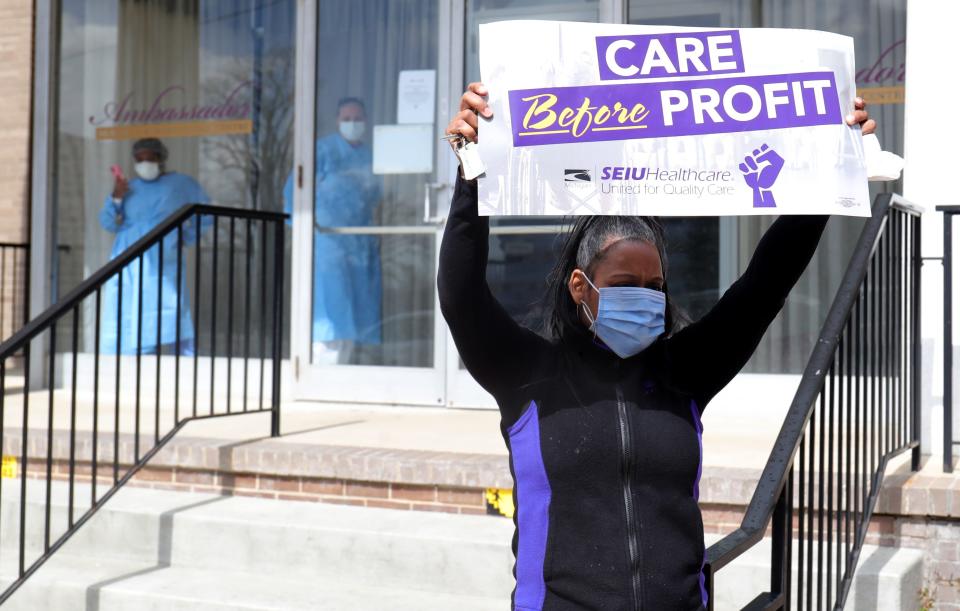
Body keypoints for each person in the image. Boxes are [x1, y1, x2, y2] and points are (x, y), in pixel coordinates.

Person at [439, 82, 876, 611]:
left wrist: (829, 162)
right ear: (582, 287)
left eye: (655, 287)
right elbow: (461, 295)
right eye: (626, 284)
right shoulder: (528, 374)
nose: (646, 298)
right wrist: (471, 173)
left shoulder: (685, 371)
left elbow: (767, 280)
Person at [283, 97, 383, 365]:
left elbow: (377, 198)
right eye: (347, 119)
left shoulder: (371, 155)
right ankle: (320, 377)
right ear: (337, 121)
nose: (352, 124)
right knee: (330, 313)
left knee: (357, 312)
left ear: (366, 120)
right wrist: (306, 231)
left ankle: (347, 374)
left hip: (359, 243)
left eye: (357, 118)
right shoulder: (321, 151)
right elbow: (295, 193)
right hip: (325, 242)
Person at [100, 137, 210, 355]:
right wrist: (117, 198)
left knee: (168, 306)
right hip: (128, 256)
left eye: (150, 158)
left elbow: (205, 214)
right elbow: (108, 222)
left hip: (162, 254)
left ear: (162, 159)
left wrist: (185, 237)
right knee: (128, 307)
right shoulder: (129, 188)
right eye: (140, 159)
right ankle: (127, 363)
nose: (145, 163)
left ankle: (185, 364)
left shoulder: (181, 184)